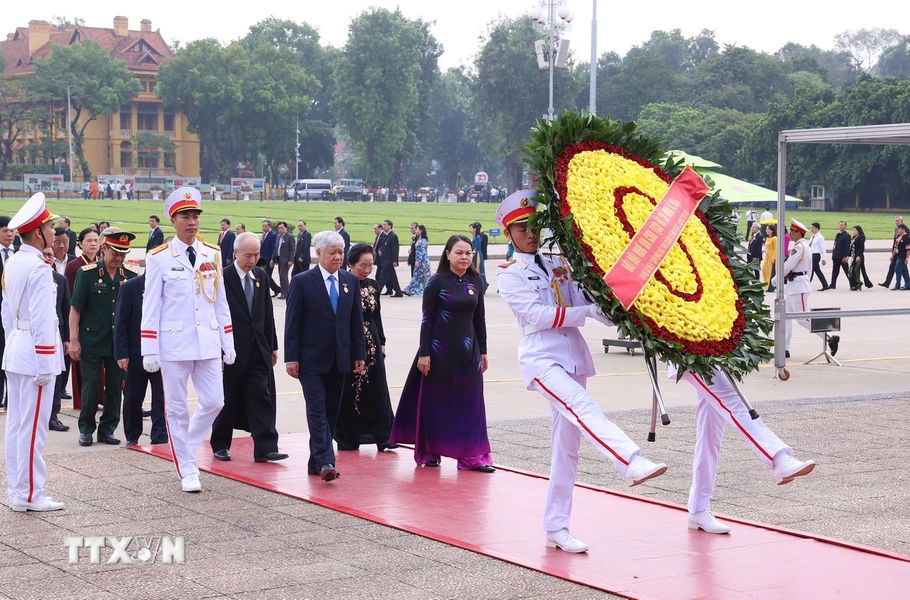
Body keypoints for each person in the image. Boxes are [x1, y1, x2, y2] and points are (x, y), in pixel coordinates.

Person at [494, 190, 666, 553]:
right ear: (508, 234)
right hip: (542, 358)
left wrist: (621, 306)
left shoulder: (559, 263)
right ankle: (630, 461)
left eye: (534, 227)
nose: (529, 233)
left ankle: (556, 527)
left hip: (572, 355)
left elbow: (588, 304)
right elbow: (537, 316)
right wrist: (585, 313)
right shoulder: (509, 275)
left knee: (566, 449)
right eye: (521, 228)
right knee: (582, 408)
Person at [141, 187, 236, 493]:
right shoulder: (159, 258)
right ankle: (187, 468)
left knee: (214, 401)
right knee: (177, 410)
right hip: (174, 343)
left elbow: (220, 302)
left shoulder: (213, 253)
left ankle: (184, 449)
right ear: (174, 220)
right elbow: (151, 306)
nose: (192, 222)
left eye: (195, 216)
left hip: (207, 340)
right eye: (185, 216)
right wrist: (149, 348)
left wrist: (228, 341)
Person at [668, 364, 815, 534]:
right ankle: (778, 458)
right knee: (732, 399)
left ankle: (698, 508)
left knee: (709, 435)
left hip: (712, 350)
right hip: (690, 352)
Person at [390, 234, 494, 473]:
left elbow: (480, 319)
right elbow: (427, 320)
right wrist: (424, 353)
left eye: (468, 253)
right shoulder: (436, 282)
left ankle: (470, 456)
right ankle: (429, 452)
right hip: (439, 353)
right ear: (447, 254)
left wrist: (484, 351)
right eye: (459, 252)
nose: (465, 257)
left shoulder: (476, 282)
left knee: (470, 404)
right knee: (436, 404)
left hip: (468, 354)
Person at [284, 230, 365, 482]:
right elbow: (292, 323)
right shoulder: (302, 281)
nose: (338, 257)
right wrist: (291, 357)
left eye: (341, 252)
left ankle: (315, 461)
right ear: (318, 253)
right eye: (332, 252)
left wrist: (358, 354)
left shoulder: (350, 282)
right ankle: (327, 461)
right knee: (317, 410)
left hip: (340, 358)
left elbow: (355, 322)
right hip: (310, 360)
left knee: (331, 411)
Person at [3, 192, 65, 512]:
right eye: (50, 227)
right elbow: (42, 320)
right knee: (32, 429)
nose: (54, 232)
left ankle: (18, 490)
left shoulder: (14, 261)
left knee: (17, 426)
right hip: (34, 354)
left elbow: (6, 313)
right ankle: (30, 494)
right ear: (38, 232)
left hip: (16, 348)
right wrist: (45, 362)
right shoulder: (38, 268)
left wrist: (14, 341)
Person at [210, 232, 287, 463]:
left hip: (257, 350)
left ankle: (266, 447)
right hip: (230, 352)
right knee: (227, 399)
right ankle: (220, 444)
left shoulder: (260, 277)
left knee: (261, 397)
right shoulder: (222, 278)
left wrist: (272, 345)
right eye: (248, 255)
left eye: (256, 255)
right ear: (234, 253)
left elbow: (266, 314)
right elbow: (214, 317)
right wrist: (219, 351)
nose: (252, 260)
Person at [69, 228, 138, 446]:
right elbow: (76, 308)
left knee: (115, 387)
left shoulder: (130, 276)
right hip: (91, 340)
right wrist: (73, 339)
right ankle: (86, 428)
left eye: (123, 254)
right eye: (115, 252)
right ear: (104, 248)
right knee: (90, 385)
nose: (119, 258)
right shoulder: (87, 273)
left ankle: (107, 428)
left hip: (118, 343)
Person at [334, 243, 397, 452]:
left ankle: (384, 435)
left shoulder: (372, 284)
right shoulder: (342, 284)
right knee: (351, 391)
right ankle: (348, 437)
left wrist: (383, 341)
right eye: (363, 265)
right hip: (350, 343)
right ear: (350, 264)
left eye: (370, 265)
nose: (367, 270)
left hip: (373, 344)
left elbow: (376, 315)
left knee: (377, 388)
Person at [115, 273, 167, 447]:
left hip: (164, 352)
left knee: (162, 397)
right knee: (133, 397)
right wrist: (122, 353)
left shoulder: (171, 285)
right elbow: (121, 322)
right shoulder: (130, 286)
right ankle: (132, 435)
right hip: (137, 352)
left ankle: (160, 436)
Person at [781, 219, 839, 359]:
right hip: (795, 284)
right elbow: (809, 267)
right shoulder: (803, 246)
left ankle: (830, 337)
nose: (790, 233)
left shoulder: (800, 247)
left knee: (802, 319)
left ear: (797, 233)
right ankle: (785, 348)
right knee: (786, 318)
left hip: (798, 286)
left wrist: (776, 279)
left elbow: (789, 265)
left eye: (791, 231)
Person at [42, 245, 70, 433]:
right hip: (37, 333)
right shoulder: (33, 278)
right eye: (43, 254)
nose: (47, 258)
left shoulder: (60, 280)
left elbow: (66, 310)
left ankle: (53, 415)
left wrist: (67, 338)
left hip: (56, 333)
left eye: (50, 255)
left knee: (57, 377)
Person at [0, 216, 17, 409]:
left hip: (16, 318)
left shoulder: (19, 254)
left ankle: (11, 399)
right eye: (5, 230)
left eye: (12, 231)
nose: (9, 234)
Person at [376, 220, 402, 297]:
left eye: (385, 225)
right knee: (392, 277)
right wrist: (380, 250)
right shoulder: (385, 235)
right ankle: (398, 292)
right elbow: (383, 246)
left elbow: (395, 249)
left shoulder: (393, 236)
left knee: (382, 277)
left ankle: (377, 291)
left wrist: (395, 261)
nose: (383, 226)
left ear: (390, 226)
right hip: (384, 259)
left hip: (389, 261)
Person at [403, 225, 431, 296]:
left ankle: (423, 289)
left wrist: (418, 261)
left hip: (423, 261)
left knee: (422, 276)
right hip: (418, 259)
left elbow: (421, 252)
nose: (416, 231)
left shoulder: (423, 241)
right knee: (417, 275)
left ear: (421, 230)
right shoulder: (418, 239)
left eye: (418, 229)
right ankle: (411, 289)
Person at [270, 221, 295, 299]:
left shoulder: (289, 237)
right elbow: (276, 249)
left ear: (286, 228)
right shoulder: (278, 237)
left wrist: (291, 260)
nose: (280, 229)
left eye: (282, 228)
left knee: (283, 276)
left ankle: (286, 293)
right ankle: (283, 292)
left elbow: (292, 249)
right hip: (279, 259)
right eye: (279, 228)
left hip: (286, 260)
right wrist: (272, 259)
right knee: (281, 276)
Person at [879, 216, 904, 288]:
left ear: (901, 221)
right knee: (892, 267)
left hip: (901, 253)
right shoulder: (896, 229)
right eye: (895, 221)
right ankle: (887, 282)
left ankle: (906, 283)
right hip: (895, 252)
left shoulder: (904, 229)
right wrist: (893, 252)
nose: (896, 222)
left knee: (902, 269)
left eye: (898, 220)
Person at [258, 220, 282, 297]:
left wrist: (272, 260)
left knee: (267, 276)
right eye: (263, 226)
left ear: (270, 226)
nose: (263, 228)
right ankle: (277, 289)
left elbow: (273, 249)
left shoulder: (273, 235)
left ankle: (265, 293)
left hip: (269, 260)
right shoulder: (264, 235)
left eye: (265, 226)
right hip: (262, 259)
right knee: (266, 276)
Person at [848, 225, 874, 290]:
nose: (853, 232)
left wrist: (859, 256)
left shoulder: (861, 238)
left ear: (858, 231)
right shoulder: (854, 237)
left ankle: (858, 283)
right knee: (854, 271)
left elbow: (861, 248)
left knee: (855, 270)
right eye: (853, 230)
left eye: (855, 230)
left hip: (858, 257)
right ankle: (857, 285)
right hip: (853, 256)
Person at [808, 222, 829, 291]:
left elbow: (823, 248)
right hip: (811, 255)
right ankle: (825, 285)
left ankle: (807, 285)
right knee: (817, 271)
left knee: (811, 270)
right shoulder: (813, 236)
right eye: (811, 228)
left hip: (816, 255)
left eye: (813, 228)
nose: (811, 229)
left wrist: (823, 258)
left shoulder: (820, 237)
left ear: (817, 228)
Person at [830, 221, 851, 289]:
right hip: (836, 256)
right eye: (840, 225)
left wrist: (845, 256)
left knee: (847, 271)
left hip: (842, 257)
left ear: (845, 226)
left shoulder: (847, 235)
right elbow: (835, 245)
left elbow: (847, 247)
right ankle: (833, 284)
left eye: (842, 225)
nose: (841, 226)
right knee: (835, 271)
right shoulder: (838, 234)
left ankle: (853, 284)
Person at [469, 223, 489, 294]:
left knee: (478, 270)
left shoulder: (477, 237)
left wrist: (472, 254)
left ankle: (482, 287)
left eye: (471, 228)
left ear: (474, 229)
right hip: (474, 255)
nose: (469, 230)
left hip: (477, 256)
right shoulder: (474, 236)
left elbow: (477, 248)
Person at [893, 224, 910, 290]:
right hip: (898, 255)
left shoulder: (906, 238)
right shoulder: (899, 237)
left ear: (903, 229)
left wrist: (907, 258)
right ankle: (908, 284)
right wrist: (893, 255)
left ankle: (897, 285)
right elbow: (896, 247)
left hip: (902, 257)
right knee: (904, 271)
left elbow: (908, 249)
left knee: (897, 269)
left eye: (899, 229)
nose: (898, 231)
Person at [761, 224, 778, 292]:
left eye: (769, 229)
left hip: (771, 256)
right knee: (765, 270)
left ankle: (770, 287)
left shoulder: (774, 239)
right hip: (767, 256)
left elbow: (776, 249)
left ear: (772, 230)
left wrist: (773, 258)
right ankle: (766, 284)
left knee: (771, 271)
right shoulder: (767, 238)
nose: (767, 230)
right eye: (766, 229)